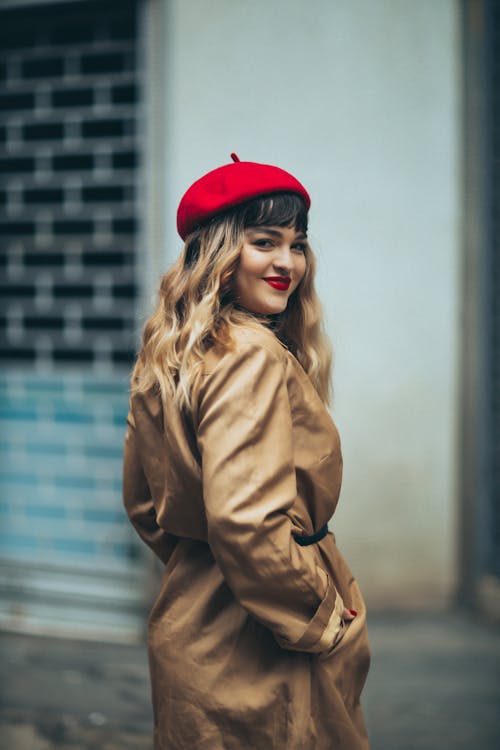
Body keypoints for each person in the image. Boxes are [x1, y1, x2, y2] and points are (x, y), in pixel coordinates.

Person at [122, 153, 371, 749]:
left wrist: (201, 567)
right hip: (261, 636)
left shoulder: (174, 352)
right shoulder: (251, 354)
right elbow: (244, 520)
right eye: (265, 242)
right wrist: (317, 615)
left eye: (298, 244)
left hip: (192, 618)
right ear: (219, 252)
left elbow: (142, 504)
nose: (288, 263)